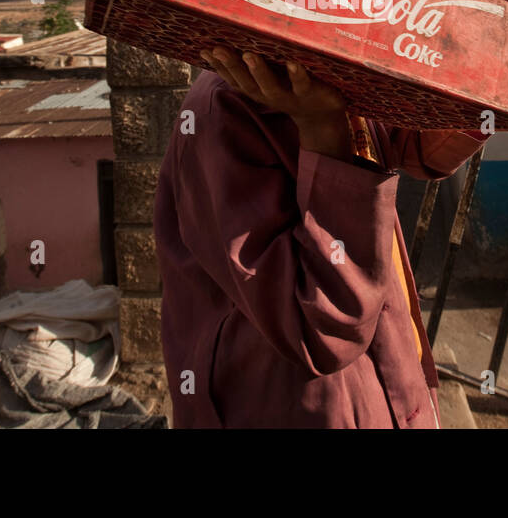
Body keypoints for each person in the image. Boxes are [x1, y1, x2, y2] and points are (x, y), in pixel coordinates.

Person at [155, 45, 489, 428]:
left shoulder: (330, 67)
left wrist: (481, 88)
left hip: (385, 384)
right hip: (309, 405)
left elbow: (413, 146)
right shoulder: (227, 110)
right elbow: (320, 328)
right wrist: (324, 132)